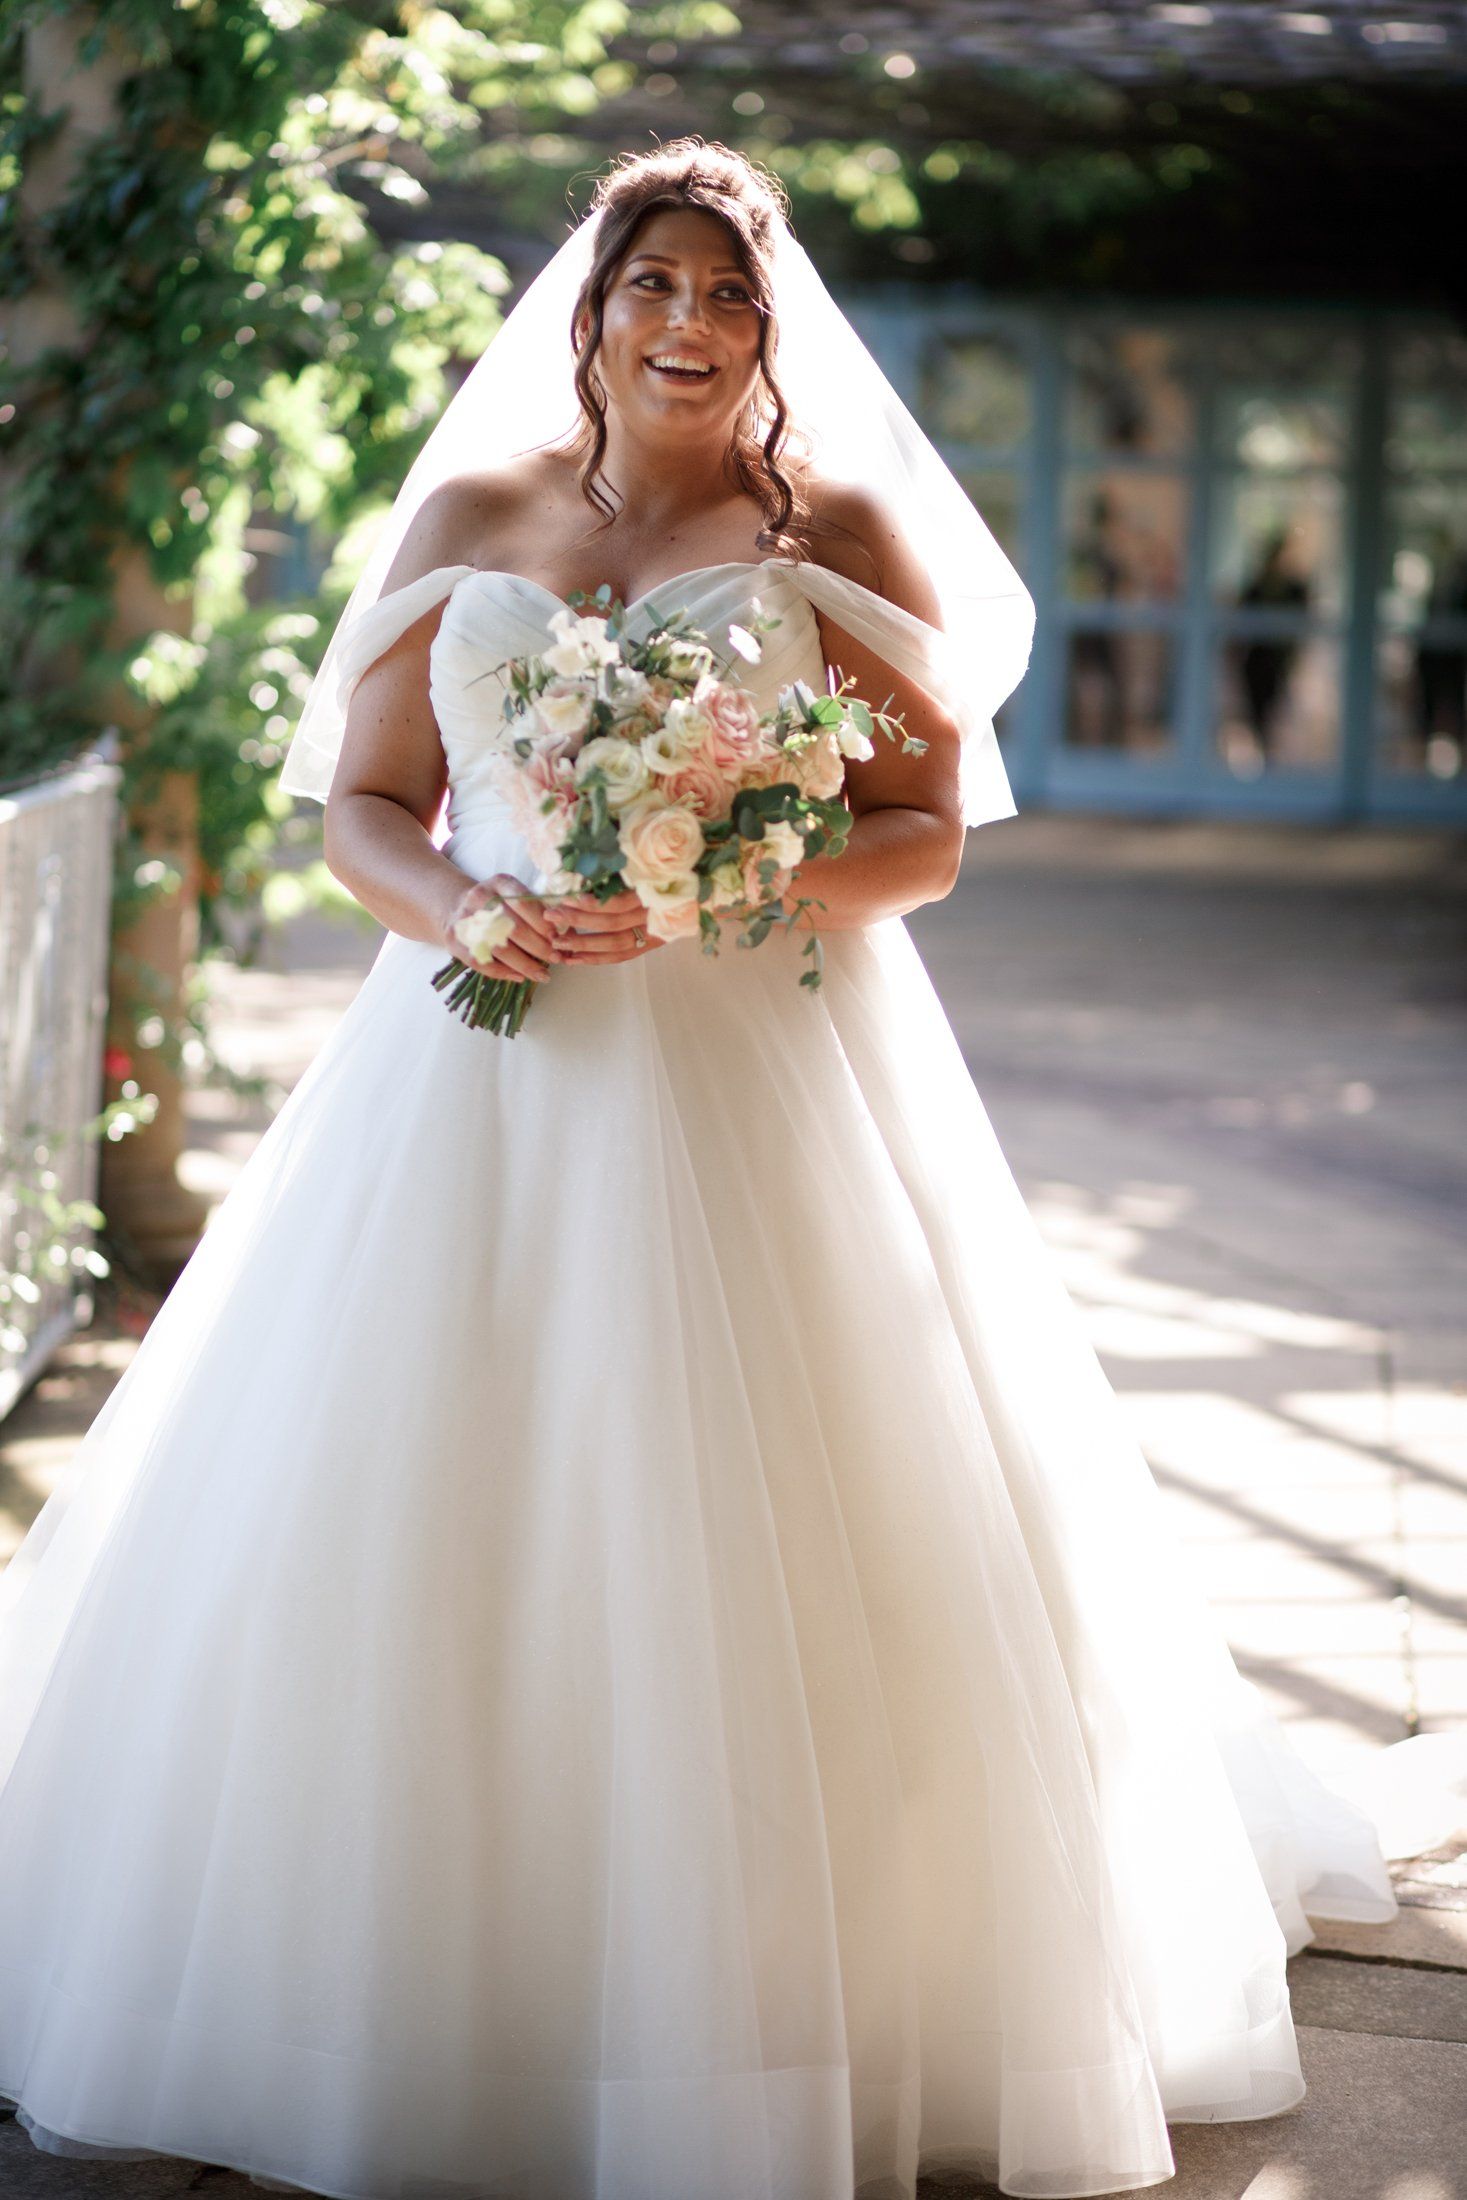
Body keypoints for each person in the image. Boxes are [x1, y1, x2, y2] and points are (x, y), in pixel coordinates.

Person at [0, 141, 1407, 2200]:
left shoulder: (821, 528)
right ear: (591, 306)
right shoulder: (474, 513)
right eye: (653, 287)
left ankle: (769, 2001)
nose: (686, 327)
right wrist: (465, 917)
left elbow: (925, 828)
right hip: (472, 1073)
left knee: (782, 1506)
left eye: (727, 298)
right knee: (424, 1499)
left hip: (756, 1056)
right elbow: (370, 809)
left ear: (768, 326)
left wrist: (732, 886)